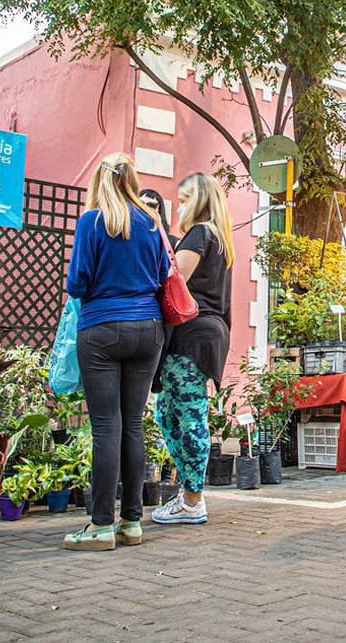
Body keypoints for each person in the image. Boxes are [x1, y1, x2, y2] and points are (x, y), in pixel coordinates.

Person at [64, 154, 169, 550]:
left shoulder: (92, 221)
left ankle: (100, 525)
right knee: (134, 424)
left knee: (106, 426)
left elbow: (78, 282)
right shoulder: (151, 222)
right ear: (133, 180)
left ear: (98, 182)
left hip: (103, 328)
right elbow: (162, 276)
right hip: (148, 328)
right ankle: (132, 522)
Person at [152, 173, 234, 526]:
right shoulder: (220, 239)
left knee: (187, 415)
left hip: (191, 335)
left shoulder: (201, 233)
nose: (179, 206)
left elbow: (173, 279)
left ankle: (192, 499)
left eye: (184, 198)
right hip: (204, 334)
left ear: (199, 200)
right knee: (169, 413)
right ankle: (188, 492)